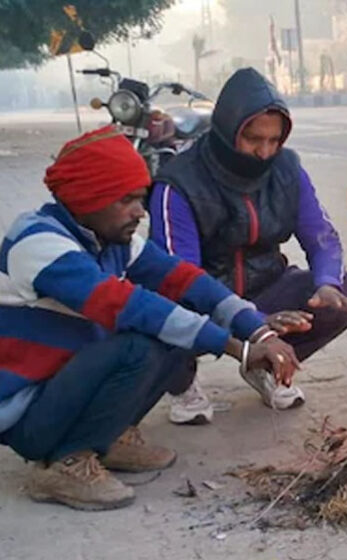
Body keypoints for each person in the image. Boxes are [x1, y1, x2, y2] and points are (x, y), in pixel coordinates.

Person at [0, 126, 300, 510]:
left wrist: (256, 329)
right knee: (140, 342)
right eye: (127, 200)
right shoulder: (38, 243)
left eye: (140, 199)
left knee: (178, 325)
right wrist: (236, 350)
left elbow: (188, 281)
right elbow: (127, 305)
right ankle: (65, 462)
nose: (139, 212)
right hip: (28, 417)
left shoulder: (112, 239)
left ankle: (109, 437)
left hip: (63, 390)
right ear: (87, 198)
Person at [151, 68, 347, 423]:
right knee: (162, 303)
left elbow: (321, 236)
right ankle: (182, 383)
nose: (264, 152)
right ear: (226, 129)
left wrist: (327, 283)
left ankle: (266, 365)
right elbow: (181, 279)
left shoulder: (287, 169)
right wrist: (256, 323)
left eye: (274, 140)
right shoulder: (177, 184)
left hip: (265, 285)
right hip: (203, 298)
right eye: (252, 139)